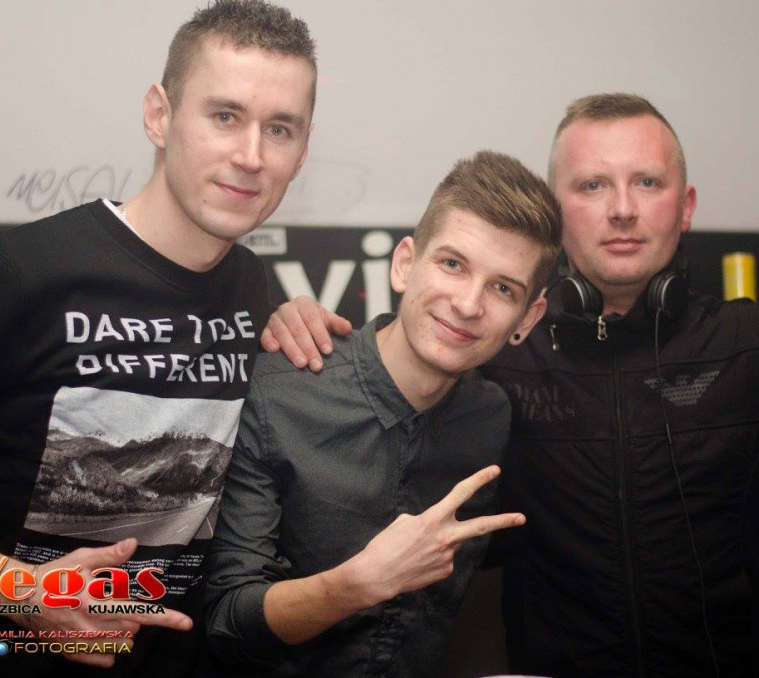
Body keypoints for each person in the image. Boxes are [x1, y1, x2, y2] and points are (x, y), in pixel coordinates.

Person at [261, 93, 759, 676]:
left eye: (647, 182)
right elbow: (392, 367)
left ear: (686, 205)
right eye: (592, 186)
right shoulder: (494, 354)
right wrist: (294, 318)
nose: (622, 209)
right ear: (556, 213)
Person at [0, 1, 316, 675]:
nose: (251, 156)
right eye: (225, 116)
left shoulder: (255, 289)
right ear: (159, 115)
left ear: (302, 149)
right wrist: (8, 589)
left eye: (279, 129)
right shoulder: (14, 276)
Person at [201, 150, 563, 677]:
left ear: (527, 319)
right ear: (404, 264)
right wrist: (358, 584)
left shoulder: (491, 415)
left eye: (503, 288)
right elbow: (227, 620)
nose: (468, 304)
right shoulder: (281, 392)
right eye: (453, 264)